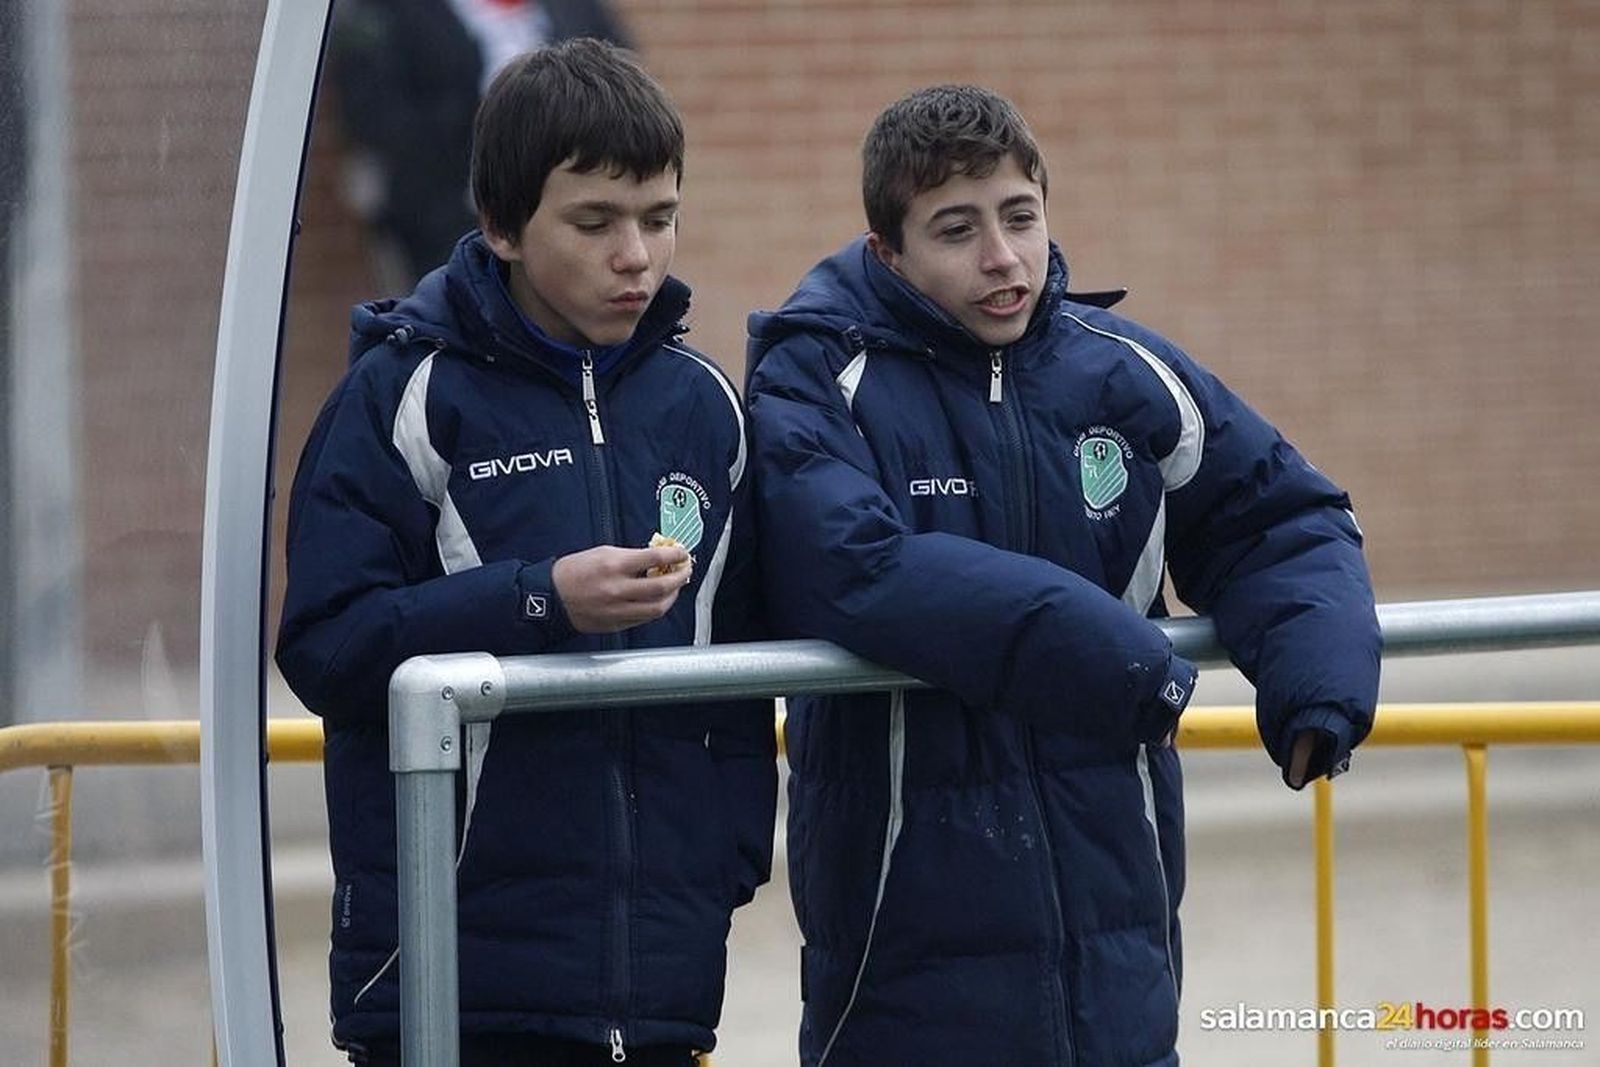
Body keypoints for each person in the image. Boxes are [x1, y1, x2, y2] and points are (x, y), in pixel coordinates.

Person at [745, 84, 1381, 1066]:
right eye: (956, 229)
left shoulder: (1124, 373)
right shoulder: (818, 379)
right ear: (887, 253)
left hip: (1116, 963)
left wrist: (1317, 680)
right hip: (903, 961)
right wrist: (1124, 664)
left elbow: (1277, 518)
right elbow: (851, 564)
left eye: (1020, 217)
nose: (1002, 258)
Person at [277, 39, 775, 1067]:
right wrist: (537, 600)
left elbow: (740, 657)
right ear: (501, 227)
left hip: (663, 979)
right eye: (594, 222)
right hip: (456, 981)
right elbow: (328, 644)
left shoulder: (706, 406)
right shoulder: (401, 397)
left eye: (659, 216)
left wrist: (723, 855)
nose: (635, 253)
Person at [327, 0, 633, 288]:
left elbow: (624, 83)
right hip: (444, 220)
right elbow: (374, 110)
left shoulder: (573, 8)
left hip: (574, 215)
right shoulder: (390, 9)